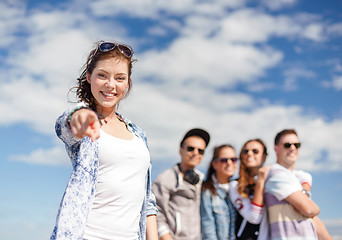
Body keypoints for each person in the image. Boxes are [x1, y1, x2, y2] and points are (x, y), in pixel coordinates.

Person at [50, 41, 158, 240]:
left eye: (119, 78)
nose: (111, 84)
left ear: (127, 82)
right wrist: (79, 116)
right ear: (89, 77)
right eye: (102, 75)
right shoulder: (85, 120)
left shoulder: (139, 135)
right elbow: (64, 126)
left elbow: (147, 199)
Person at [264, 129, 331, 240]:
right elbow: (309, 210)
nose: (293, 148)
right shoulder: (275, 173)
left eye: (297, 145)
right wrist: (315, 208)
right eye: (287, 145)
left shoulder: (298, 176)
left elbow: (311, 218)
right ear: (276, 148)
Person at [152, 128, 210, 240]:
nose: (195, 153)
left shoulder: (203, 180)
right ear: (180, 150)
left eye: (200, 151)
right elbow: (156, 213)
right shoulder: (164, 179)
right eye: (190, 148)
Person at [229, 139, 270, 240]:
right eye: (246, 151)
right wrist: (260, 182)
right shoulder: (235, 185)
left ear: (264, 157)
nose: (249, 154)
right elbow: (254, 217)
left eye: (255, 151)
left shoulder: (271, 181)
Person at [200, 144, 238, 240]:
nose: (229, 163)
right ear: (215, 164)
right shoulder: (207, 192)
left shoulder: (238, 189)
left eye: (233, 159)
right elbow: (208, 230)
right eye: (224, 160)